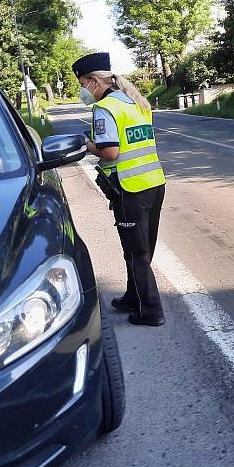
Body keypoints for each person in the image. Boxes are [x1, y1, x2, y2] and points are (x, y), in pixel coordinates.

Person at [73, 52, 167, 327]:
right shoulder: (136, 102)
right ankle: (132, 297)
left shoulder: (104, 109)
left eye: (82, 84)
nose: (82, 91)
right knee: (142, 249)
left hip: (130, 188)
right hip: (154, 183)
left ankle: (151, 311)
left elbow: (111, 152)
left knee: (136, 254)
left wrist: (87, 146)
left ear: (93, 82)